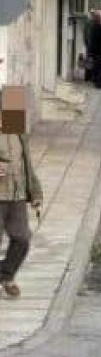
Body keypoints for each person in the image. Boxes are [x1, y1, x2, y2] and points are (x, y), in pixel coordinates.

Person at [0, 115, 43, 300]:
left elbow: (26, 161)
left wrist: (35, 191)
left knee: (22, 239)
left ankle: (6, 275)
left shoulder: (15, 123)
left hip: (16, 194)